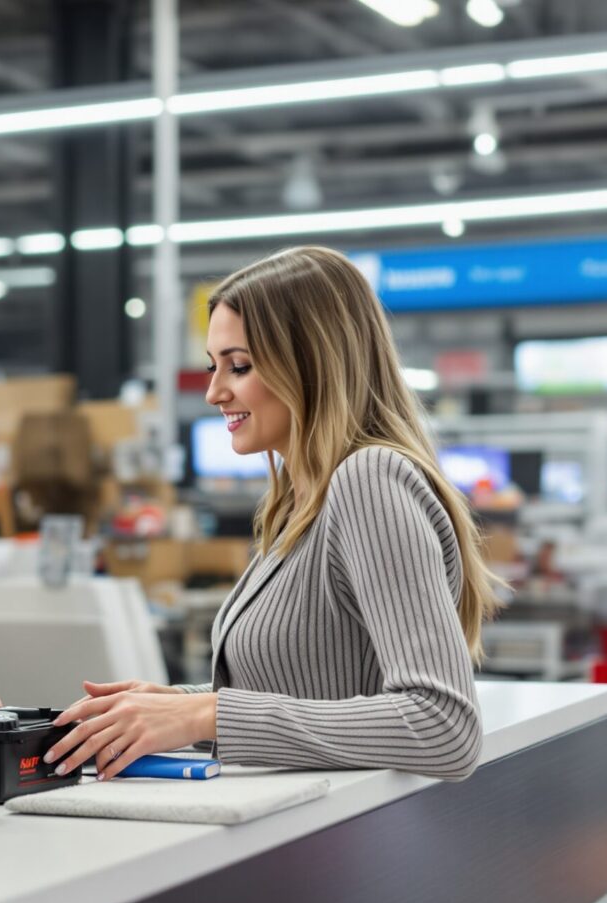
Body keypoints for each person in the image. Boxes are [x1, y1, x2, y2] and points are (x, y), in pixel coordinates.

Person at [47, 246, 494, 782]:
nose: (214, 392)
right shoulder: (297, 502)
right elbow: (323, 691)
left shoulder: (368, 478)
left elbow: (442, 726)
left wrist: (208, 713)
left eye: (239, 366)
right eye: (213, 366)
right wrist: (175, 707)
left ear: (312, 362)